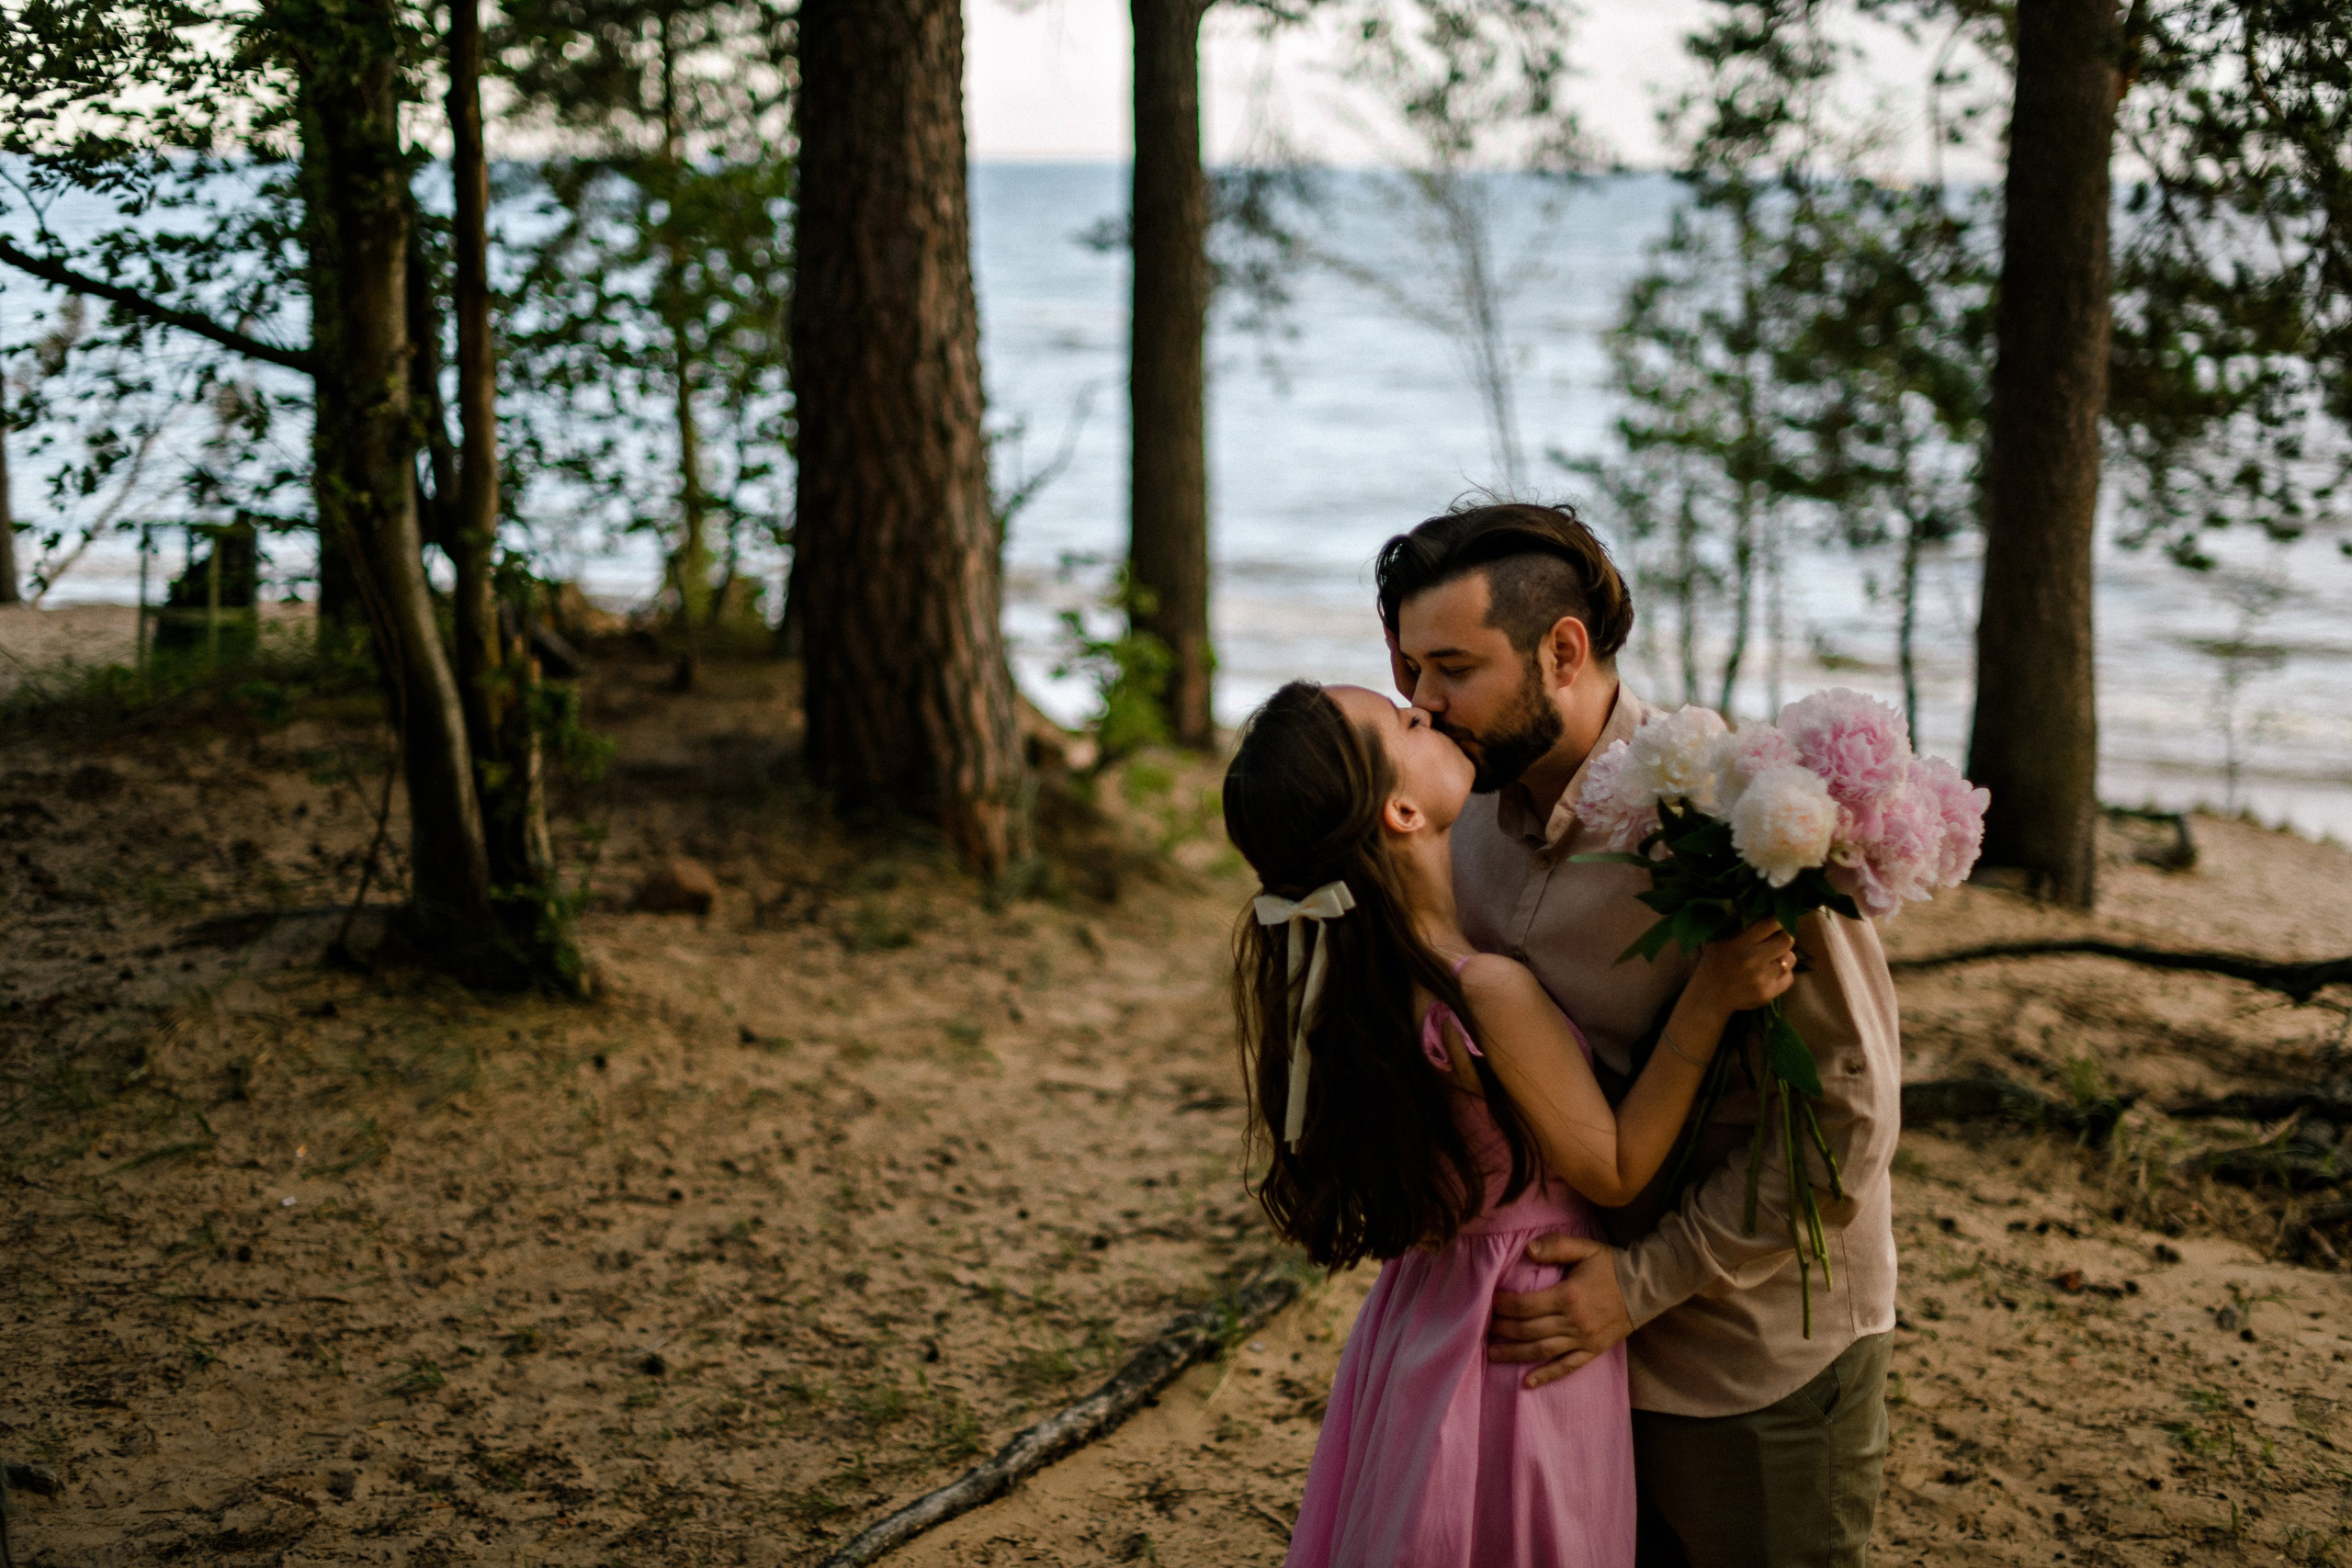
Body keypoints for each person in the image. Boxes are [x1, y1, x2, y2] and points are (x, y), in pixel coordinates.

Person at [1375, 501, 1905, 1568]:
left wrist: (1638, 1283)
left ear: (1561, 651)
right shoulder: (1454, 813)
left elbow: (1846, 1125)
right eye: (1404, 673)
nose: (1423, 707)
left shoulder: (1734, 816)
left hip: (1745, 1358)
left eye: (1451, 668)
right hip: (1551, 1352)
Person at [1223, 679, 1798, 1568]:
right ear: (1402, 811)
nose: (1426, 710)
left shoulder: (1355, 982)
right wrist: (1711, 995)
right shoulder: (1482, 991)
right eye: (1403, 723)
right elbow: (1612, 1168)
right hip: (1518, 1333)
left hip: (1421, 1319)